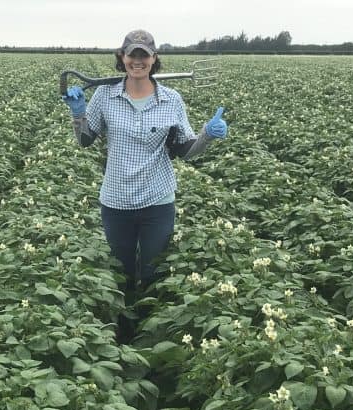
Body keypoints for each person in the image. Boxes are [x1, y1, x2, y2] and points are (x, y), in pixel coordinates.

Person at [62, 29, 228, 310]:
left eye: (144, 55)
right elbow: (85, 141)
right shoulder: (105, 95)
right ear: (122, 57)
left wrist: (207, 136)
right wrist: (78, 112)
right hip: (116, 202)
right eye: (132, 54)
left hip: (157, 202)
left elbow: (183, 150)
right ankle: (122, 327)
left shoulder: (171, 100)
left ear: (154, 59)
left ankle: (148, 325)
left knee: (154, 273)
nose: (137, 60)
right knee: (121, 273)